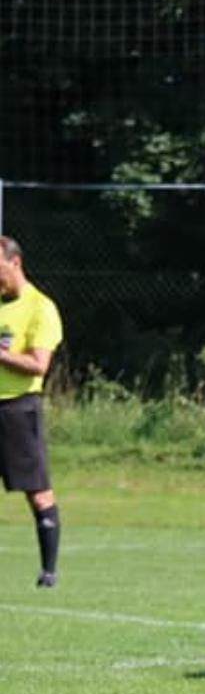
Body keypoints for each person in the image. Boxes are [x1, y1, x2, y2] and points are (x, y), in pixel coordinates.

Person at [0, 237, 64, 588]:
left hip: (17, 409)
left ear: (15, 263)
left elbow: (38, 365)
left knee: (36, 491)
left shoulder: (41, 308)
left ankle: (48, 572)